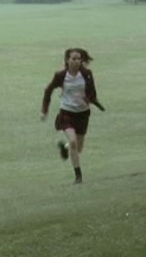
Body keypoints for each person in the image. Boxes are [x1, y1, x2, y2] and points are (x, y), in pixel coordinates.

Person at [41, 48, 105, 184]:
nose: (76, 61)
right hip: (66, 113)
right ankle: (78, 176)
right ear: (67, 60)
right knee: (74, 142)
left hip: (83, 114)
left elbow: (92, 92)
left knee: (78, 148)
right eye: (73, 59)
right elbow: (48, 90)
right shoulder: (60, 76)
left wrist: (91, 99)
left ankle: (65, 148)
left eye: (78, 59)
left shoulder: (86, 74)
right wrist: (44, 110)